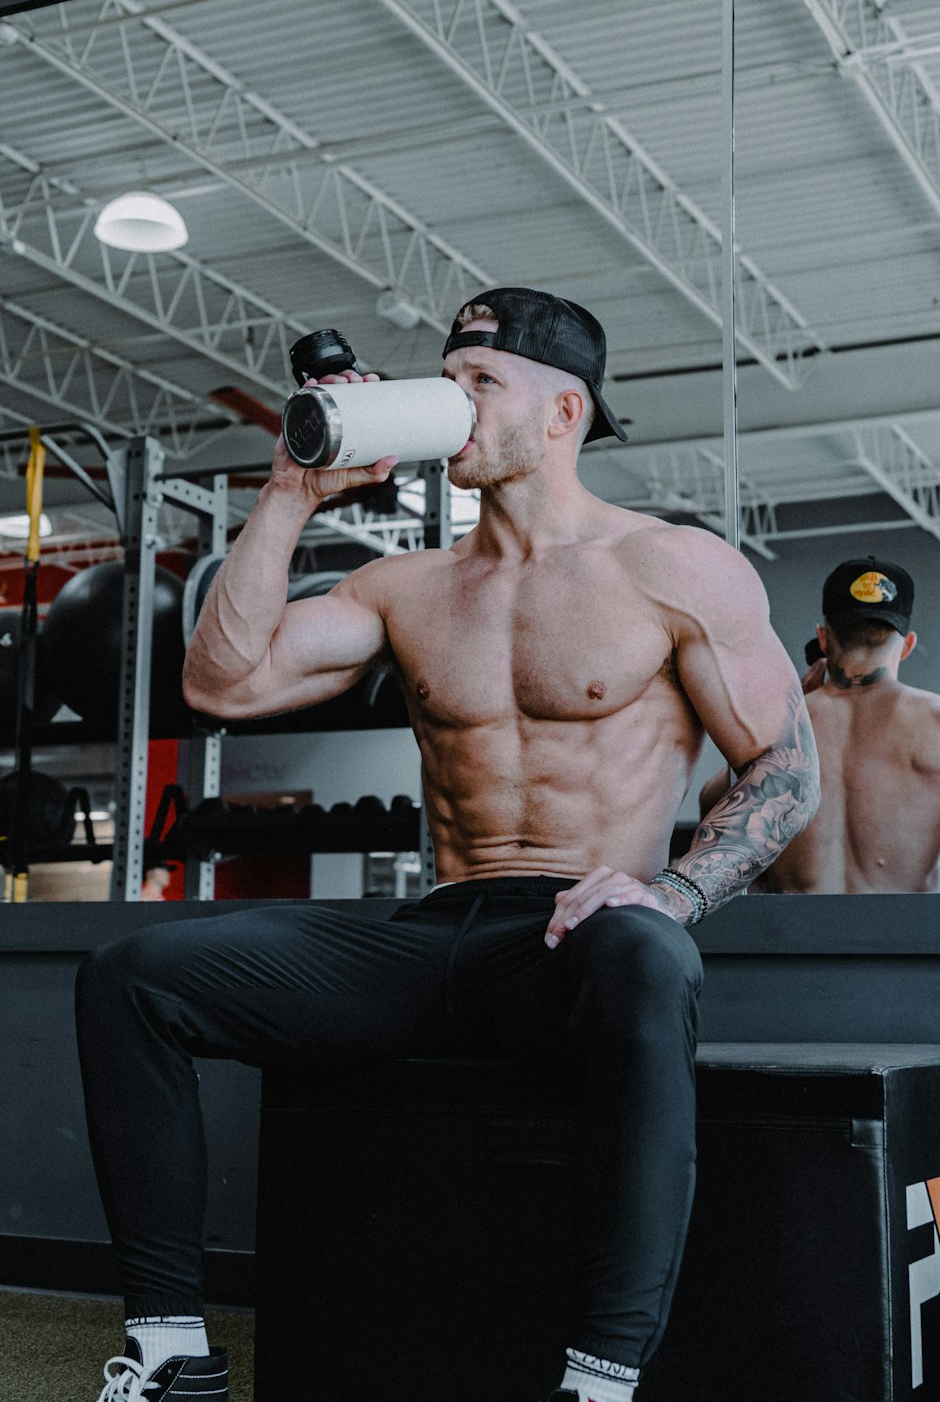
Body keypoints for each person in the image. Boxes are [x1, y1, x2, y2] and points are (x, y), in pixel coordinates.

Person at [76, 287, 819, 1402]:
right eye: (447, 380)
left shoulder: (672, 566)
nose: (452, 404)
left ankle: (601, 1377)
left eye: (483, 384)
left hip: (574, 939)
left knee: (644, 951)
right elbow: (217, 683)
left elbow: (786, 770)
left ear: (565, 413)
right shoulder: (406, 586)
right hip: (435, 934)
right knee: (132, 975)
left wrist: (672, 893)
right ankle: (172, 1348)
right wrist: (289, 494)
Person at [699, 555, 940, 894]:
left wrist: (795, 707)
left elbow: (715, 818)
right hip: (909, 940)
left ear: (824, 638)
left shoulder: (774, 725)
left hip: (792, 941)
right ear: (907, 645)